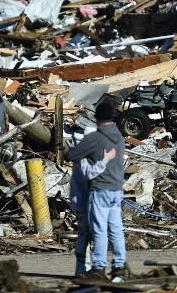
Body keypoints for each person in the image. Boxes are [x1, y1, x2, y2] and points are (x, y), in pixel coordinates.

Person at [66, 101, 127, 280]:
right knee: (116, 229)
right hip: (117, 190)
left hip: (100, 190)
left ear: (97, 118)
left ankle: (98, 268)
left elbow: (72, 155)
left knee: (99, 229)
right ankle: (119, 267)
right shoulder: (120, 136)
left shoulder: (95, 138)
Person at [70, 147, 117, 277]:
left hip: (81, 201)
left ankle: (83, 269)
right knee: (91, 235)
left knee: (84, 234)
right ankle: (90, 269)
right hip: (85, 203)